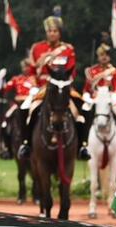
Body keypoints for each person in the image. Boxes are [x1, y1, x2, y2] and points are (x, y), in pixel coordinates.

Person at [17, 8, 87, 160]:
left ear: (59, 32)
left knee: (81, 111)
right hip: (42, 87)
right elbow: (31, 71)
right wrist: (33, 85)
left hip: (63, 87)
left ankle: (82, 146)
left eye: (55, 31)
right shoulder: (37, 48)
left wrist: (65, 84)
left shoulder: (68, 49)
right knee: (25, 109)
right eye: (49, 31)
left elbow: (72, 71)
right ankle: (26, 144)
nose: (52, 34)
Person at [0, 59, 36, 160]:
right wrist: (0, 79)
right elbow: (4, 89)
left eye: (27, 67)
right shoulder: (17, 79)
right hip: (18, 105)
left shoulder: (35, 79)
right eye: (24, 67)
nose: (25, 69)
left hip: (32, 104)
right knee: (5, 123)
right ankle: (8, 149)